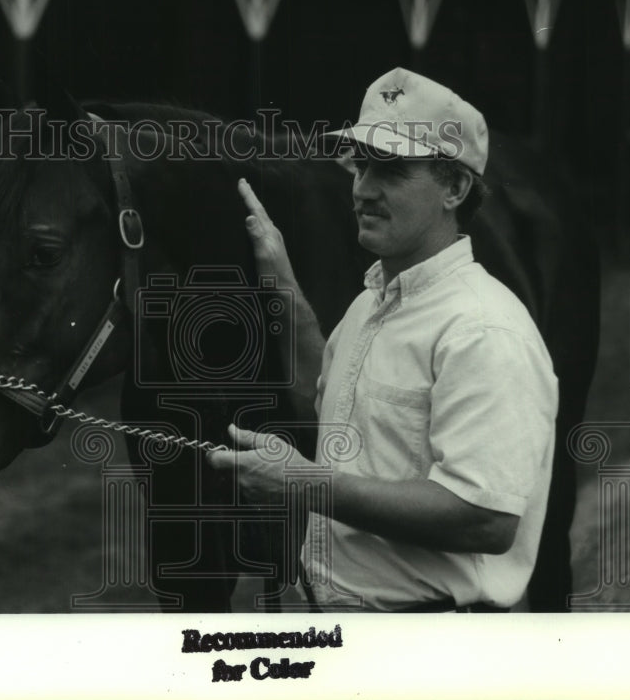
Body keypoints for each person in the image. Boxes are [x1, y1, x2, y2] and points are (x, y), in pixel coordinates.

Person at [207, 67, 559, 612]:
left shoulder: (484, 330)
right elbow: (326, 399)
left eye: (391, 169)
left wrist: (305, 485)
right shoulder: (373, 302)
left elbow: (486, 518)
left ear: (455, 187)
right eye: (361, 163)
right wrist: (279, 278)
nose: (363, 188)